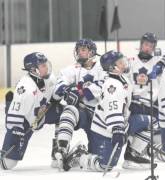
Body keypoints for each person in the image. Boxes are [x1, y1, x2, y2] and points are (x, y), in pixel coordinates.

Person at [63, 50, 132, 172]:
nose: (124, 64)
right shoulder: (112, 86)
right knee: (104, 166)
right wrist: (117, 129)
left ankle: (134, 154)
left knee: (147, 122)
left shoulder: (122, 79)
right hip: (104, 130)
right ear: (113, 67)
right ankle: (80, 157)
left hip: (116, 126)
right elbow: (113, 109)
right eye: (121, 62)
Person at [0, 52, 63, 170]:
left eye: (46, 64)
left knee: (64, 113)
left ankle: (58, 151)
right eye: (43, 65)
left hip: (42, 114)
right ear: (34, 70)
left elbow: (54, 92)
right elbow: (13, 120)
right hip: (26, 121)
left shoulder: (49, 78)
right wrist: (18, 134)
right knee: (7, 163)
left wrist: (61, 92)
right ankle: (9, 104)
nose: (46, 67)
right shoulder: (26, 88)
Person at [52, 39, 104, 170]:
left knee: (99, 158)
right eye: (78, 50)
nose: (79, 52)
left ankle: (79, 154)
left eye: (83, 50)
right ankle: (61, 149)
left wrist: (80, 92)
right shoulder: (72, 69)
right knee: (68, 110)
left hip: (99, 117)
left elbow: (103, 87)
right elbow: (58, 85)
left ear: (92, 52)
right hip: (82, 113)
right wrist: (66, 91)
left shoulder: (102, 68)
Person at [122, 32, 161, 169]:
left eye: (151, 46)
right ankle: (132, 153)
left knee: (153, 127)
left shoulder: (158, 62)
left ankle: (136, 152)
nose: (147, 48)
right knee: (137, 128)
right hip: (135, 103)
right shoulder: (130, 61)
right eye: (145, 44)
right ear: (140, 45)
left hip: (152, 105)